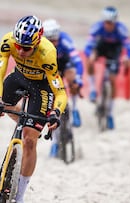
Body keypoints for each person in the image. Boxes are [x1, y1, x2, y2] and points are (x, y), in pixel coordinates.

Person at [0, 15, 67, 202]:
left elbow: (60, 91)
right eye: (18, 46)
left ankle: (20, 196)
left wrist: (56, 113)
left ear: (37, 42)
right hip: (19, 76)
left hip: (42, 86)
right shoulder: (8, 41)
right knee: (4, 106)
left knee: (30, 140)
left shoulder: (47, 52)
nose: (21, 51)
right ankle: (31, 121)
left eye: (26, 48)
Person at [84, 6, 130, 129]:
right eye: (106, 22)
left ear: (115, 22)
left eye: (111, 23)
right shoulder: (97, 27)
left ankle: (110, 113)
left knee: (112, 80)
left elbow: (129, 48)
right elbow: (88, 45)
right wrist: (90, 55)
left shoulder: (121, 30)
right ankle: (93, 89)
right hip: (101, 47)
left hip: (114, 51)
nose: (108, 25)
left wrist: (127, 57)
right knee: (89, 60)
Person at [42, 18, 83, 157]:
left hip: (64, 65)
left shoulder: (66, 41)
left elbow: (77, 61)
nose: (53, 43)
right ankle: (54, 143)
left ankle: (75, 108)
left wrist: (78, 80)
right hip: (51, 68)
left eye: (55, 40)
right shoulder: (40, 45)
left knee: (73, 78)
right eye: (49, 40)